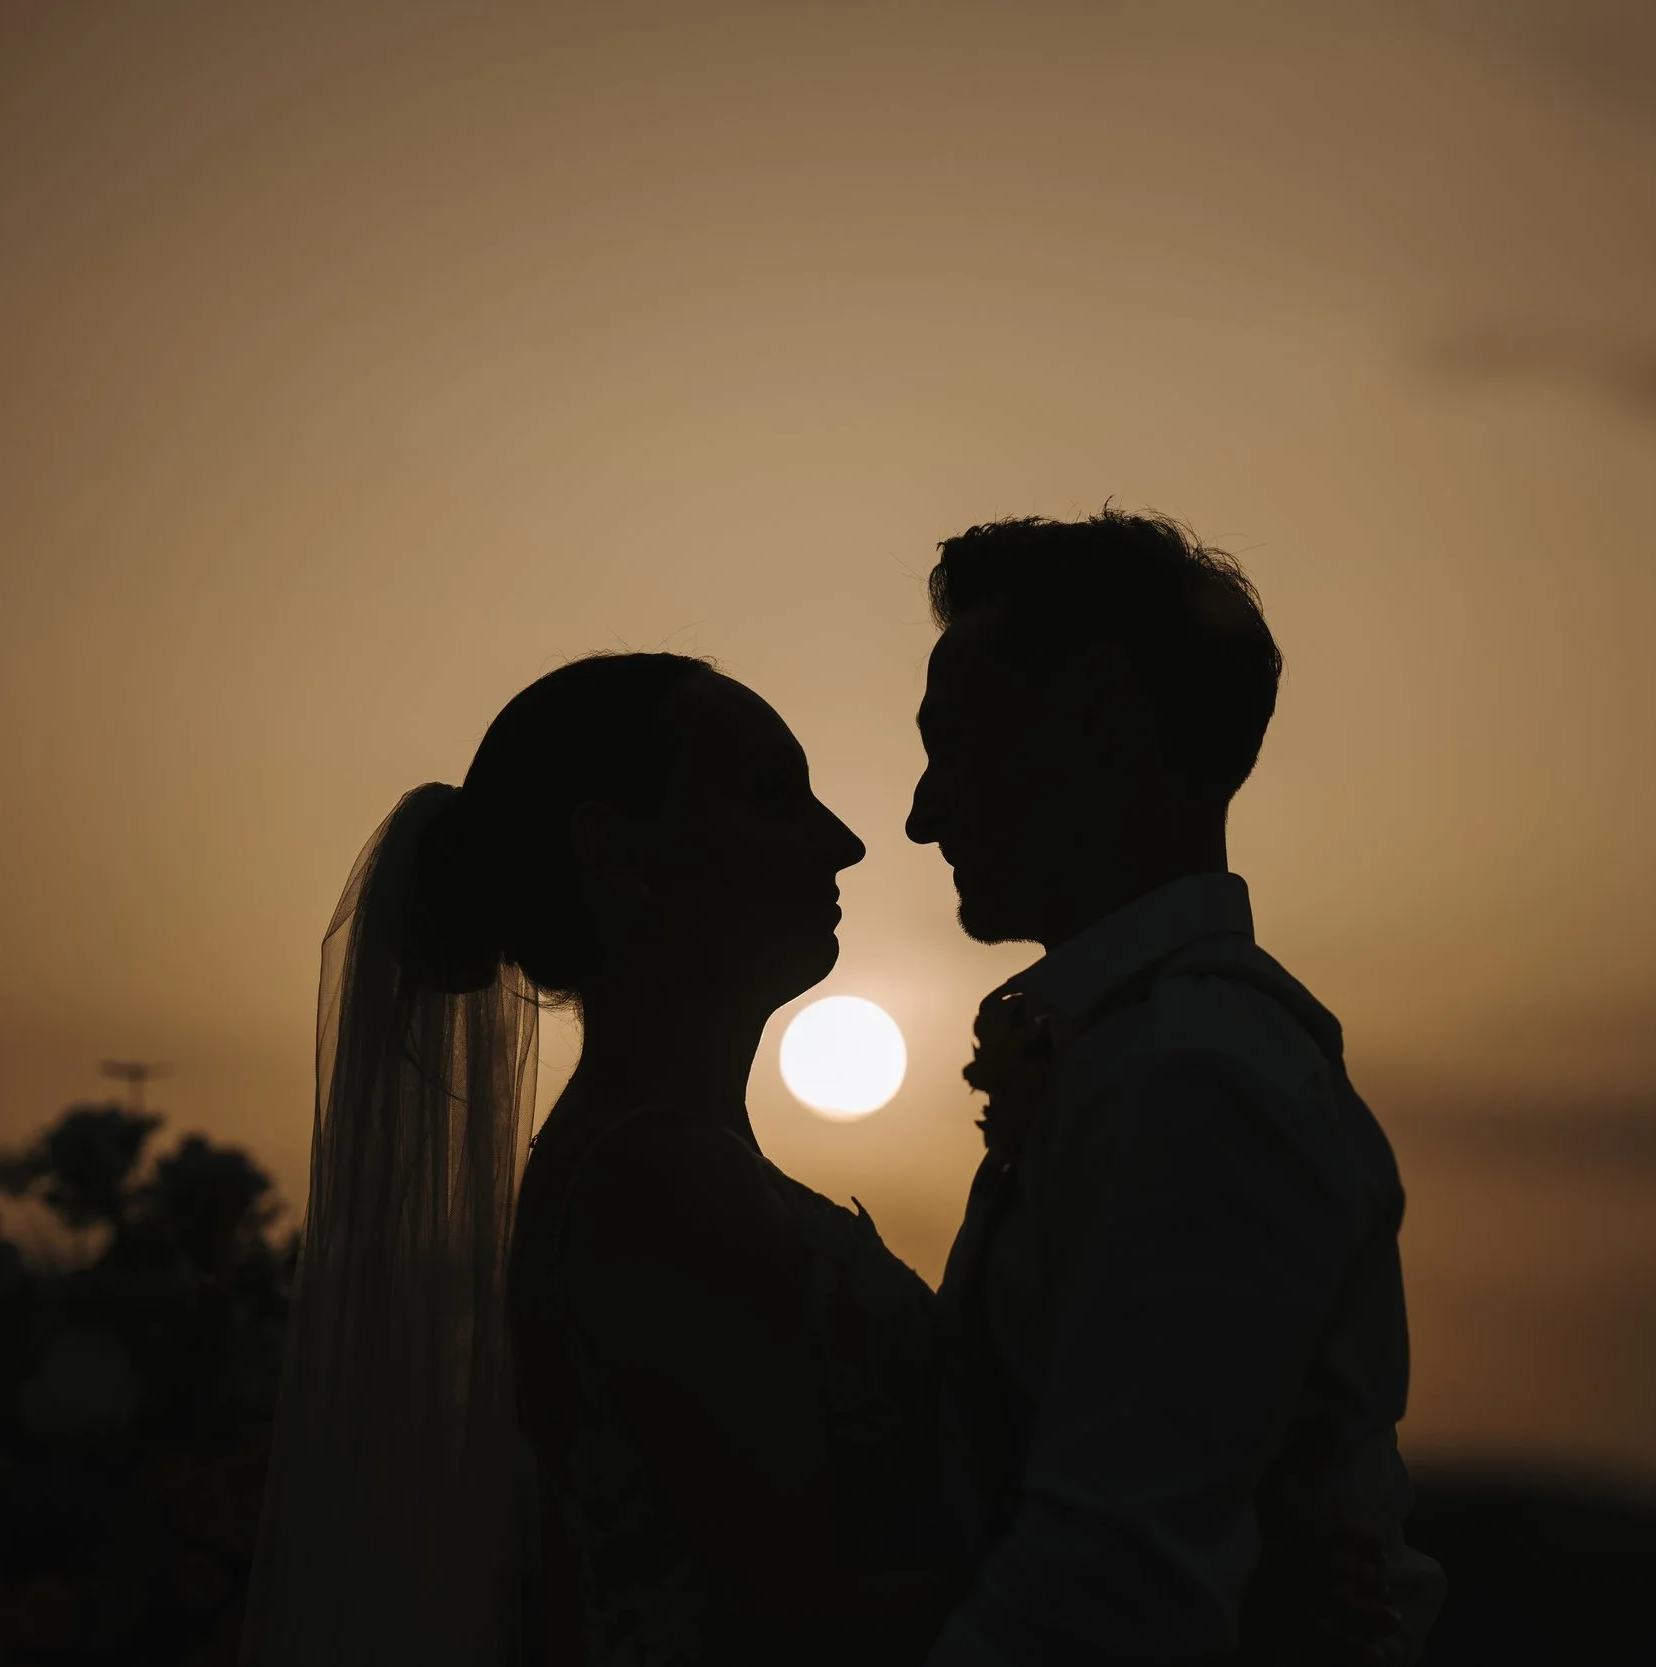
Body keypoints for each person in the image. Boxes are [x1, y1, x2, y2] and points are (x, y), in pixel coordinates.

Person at [245, 653, 961, 1666]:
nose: (842, 842)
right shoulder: (659, 1185)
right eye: (773, 794)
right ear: (622, 852)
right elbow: (796, 1613)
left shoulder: (655, 1157)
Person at [907, 510, 1446, 1665]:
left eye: (952, 742)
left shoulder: (1193, 1076)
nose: (920, 811)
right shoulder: (1135, 1055)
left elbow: (1114, 1588)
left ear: (1097, 711)